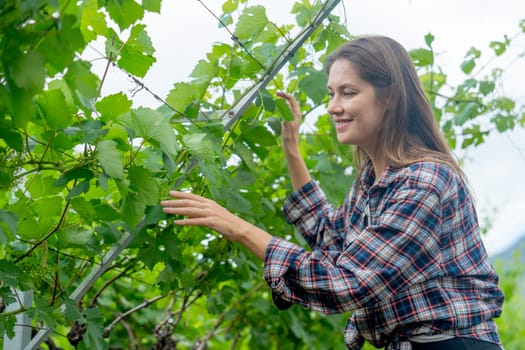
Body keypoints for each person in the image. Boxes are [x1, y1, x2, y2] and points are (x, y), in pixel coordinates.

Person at [161, 35, 504, 350]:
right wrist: (291, 149)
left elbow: (349, 282)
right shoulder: (371, 180)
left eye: (348, 92)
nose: (332, 106)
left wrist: (238, 228)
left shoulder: (424, 181)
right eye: (331, 93)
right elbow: (331, 239)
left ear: (390, 98)